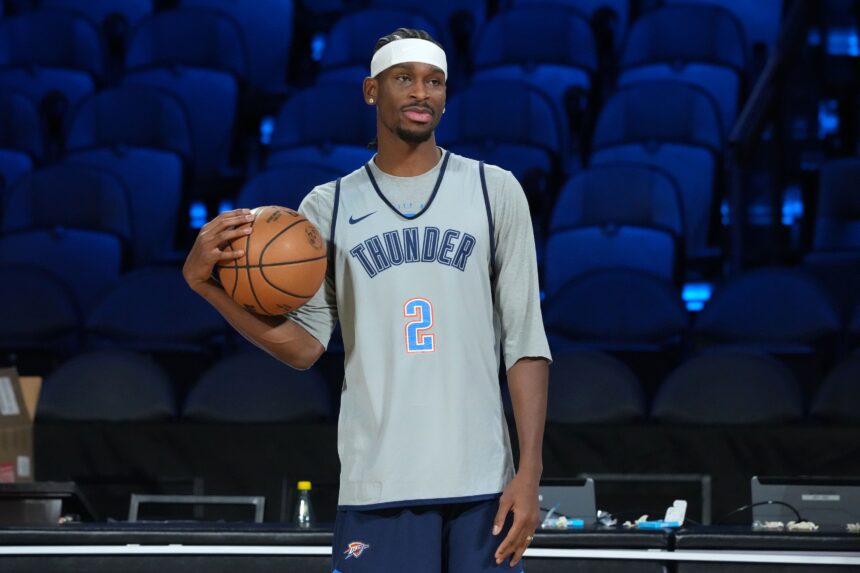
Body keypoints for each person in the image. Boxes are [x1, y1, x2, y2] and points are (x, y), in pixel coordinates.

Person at [183, 27, 551, 572]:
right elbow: (305, 349)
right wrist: (207, 286)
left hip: (484, 482)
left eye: (434, 82)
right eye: (404, 79)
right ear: (371, 91)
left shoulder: (493, 189)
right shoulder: (327, 206)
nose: (421, 93)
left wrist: (530, 473)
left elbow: (525, 341)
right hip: (379, 479)